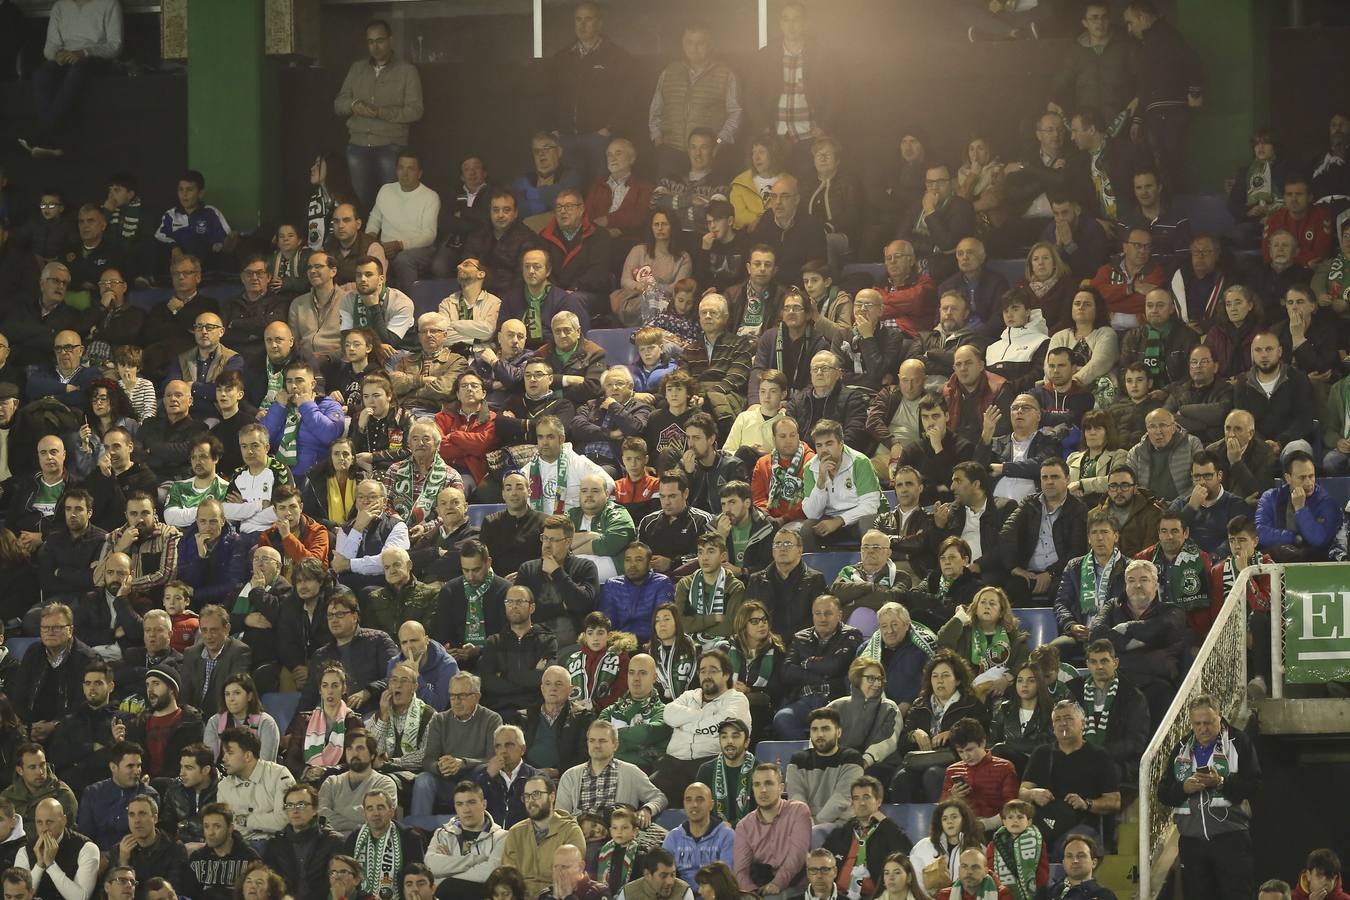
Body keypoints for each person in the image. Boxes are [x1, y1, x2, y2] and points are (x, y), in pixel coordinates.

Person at [1154, 694, 1260, 900]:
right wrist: (1183, 789)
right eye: (1197, 723)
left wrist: (1220, 783)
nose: (1203, 728)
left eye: (1208, 722)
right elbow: (1163, 793)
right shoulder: (1182, 748)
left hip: (1230, 837)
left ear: (1219, 717)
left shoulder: (1239, 742)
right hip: (1192, 842)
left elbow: (1254, 786)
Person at [333, 19, 423, 212]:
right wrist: (353, 105)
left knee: (391, 204)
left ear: (391, 40)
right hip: (357, 145)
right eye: (370, 41)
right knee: (360, 203)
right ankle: (367, 241)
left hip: (390, 146)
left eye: (380, 40)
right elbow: (339, 104)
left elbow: (416, 110)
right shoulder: (356, 68)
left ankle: (388, 242)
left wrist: (381, 112)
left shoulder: (407, 71)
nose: (375, 46)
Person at [1088, 560, 1188, 721]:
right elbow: (1096, 635)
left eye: (1144, 580)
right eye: (1131, 580)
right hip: (1118, 684)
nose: (1137, 585)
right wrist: (1139, 643)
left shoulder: (1171, 611)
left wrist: (1127, 629)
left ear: (1155, 584)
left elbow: (1165, 628)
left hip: (1156, 688)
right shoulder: (1112, 606)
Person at [775, 595, 863, 739]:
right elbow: (787, 672)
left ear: (839, 615)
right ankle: (808, 754)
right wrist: (821, 676)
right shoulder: (800, 637)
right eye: (818, 614)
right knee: (782, 719)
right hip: (805, 699)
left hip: (834, 699)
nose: (823, 619)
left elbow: (837, 665)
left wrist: (806, 664)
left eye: (828, 613)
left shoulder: (851, 635)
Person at [499, 775, 587, 898]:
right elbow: (507, 877)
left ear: (552, 796)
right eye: (527, 796)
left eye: (536, 794)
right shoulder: (515, 832)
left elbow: (571, 879)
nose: (530, 800)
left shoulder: (570, 831)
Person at [1255, 450, 1343, 562]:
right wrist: (1294, 538)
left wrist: (1301, 509)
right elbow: (1260, 533)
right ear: (1288, 478)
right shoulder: (1270, 497)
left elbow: (1320, 539)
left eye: (1311, 476)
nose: (1308, 482)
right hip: (1276, 561)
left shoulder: (1326, 502)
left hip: (1312, 563)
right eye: (1302, 478)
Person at [423, 779, 506, 894]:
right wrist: (477, 859)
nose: (466, 809)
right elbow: (431, 867)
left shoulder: (501, 837)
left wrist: (447, 877)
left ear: (484, 804)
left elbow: (490, 873)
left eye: (471, 802)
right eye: (460, 804)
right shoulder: (442, 834)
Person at [896, 165, 975, 285]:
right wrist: (933, 247)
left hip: (944, 270)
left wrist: (930, 211)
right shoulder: (916, 206)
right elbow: (901, 240)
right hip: (914, 265)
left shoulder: (961, 207)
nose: (935, 187)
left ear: (951, 183)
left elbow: (947, 244)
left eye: (940, 182)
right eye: (930, 183)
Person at [12, 798, 99, 900]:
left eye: (49, 822)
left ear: (64, 820)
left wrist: (51, 864)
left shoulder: (87, 848)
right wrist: (39, 865)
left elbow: (81, 898)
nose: (44, 828)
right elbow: (18, 895)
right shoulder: (25, 851)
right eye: (39, 822)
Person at [908, 800, 985, 897]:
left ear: (964, 819)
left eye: (954, 817)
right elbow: (916, 881)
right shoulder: (923, 847)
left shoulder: (978, 849)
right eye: (944, 819)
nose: (949, 821)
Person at [1262, 175, 1334, 268]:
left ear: (1310, 197)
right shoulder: (1274, 219)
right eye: (1289, 194)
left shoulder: (1322, 217)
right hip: (1281, 271)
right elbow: (1268, 255)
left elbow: (1320, 255)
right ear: (1284, 198)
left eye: (1299, 194)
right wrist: (1302, 260)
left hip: (1310, 273)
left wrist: (1286, 257)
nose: (1293, 199)